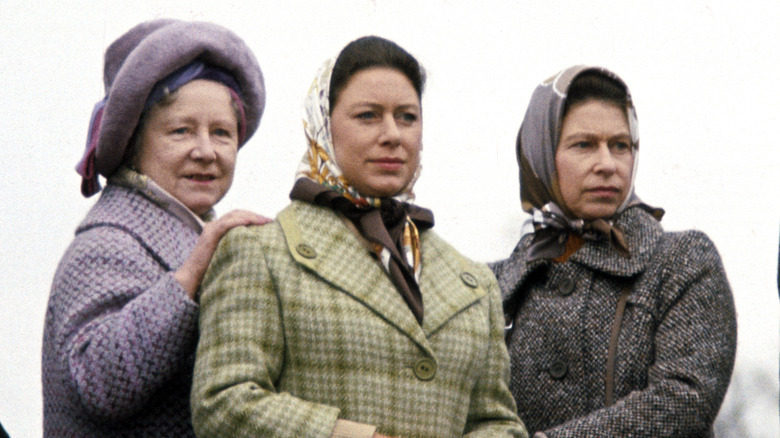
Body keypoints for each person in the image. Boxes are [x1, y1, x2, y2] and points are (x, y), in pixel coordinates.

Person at [191, 36, 527, 438]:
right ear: (323, 124)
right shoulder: (260, 251)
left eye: (407, 117)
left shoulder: (473, 282)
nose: (392, 135)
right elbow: (222, 402)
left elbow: (499, 422)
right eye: (368, 116)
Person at [42, 19, 267, 437]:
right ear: (133, 140)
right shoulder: (107, 242)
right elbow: (99, 383)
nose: (205, 152)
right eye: (180, 131)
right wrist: (188, 277)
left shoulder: (200, 234)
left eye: (221, 133)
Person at [491, 65, 737, 437]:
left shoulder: (682, 262)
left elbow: (683, 398)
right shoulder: (491, 287)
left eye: (620, 145)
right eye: (584, 145)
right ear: (540, 152)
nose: (607, 164)